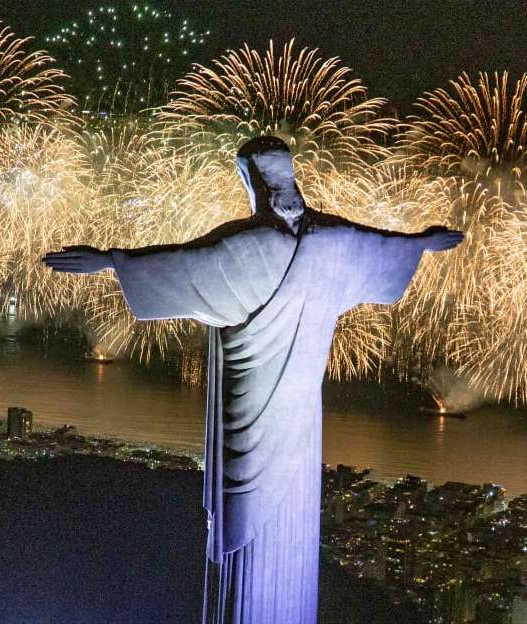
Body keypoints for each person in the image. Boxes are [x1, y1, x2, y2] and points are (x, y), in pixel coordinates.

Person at [43, 135, 463, 624]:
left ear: (251, 184)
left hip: (257, 419)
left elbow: (180, 264)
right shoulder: (331, 243)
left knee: (246, 536)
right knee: (274, 532)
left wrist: (112, 261)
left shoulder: (253, 248)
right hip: (297, 423)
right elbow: (381, 247)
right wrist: (421, 245)